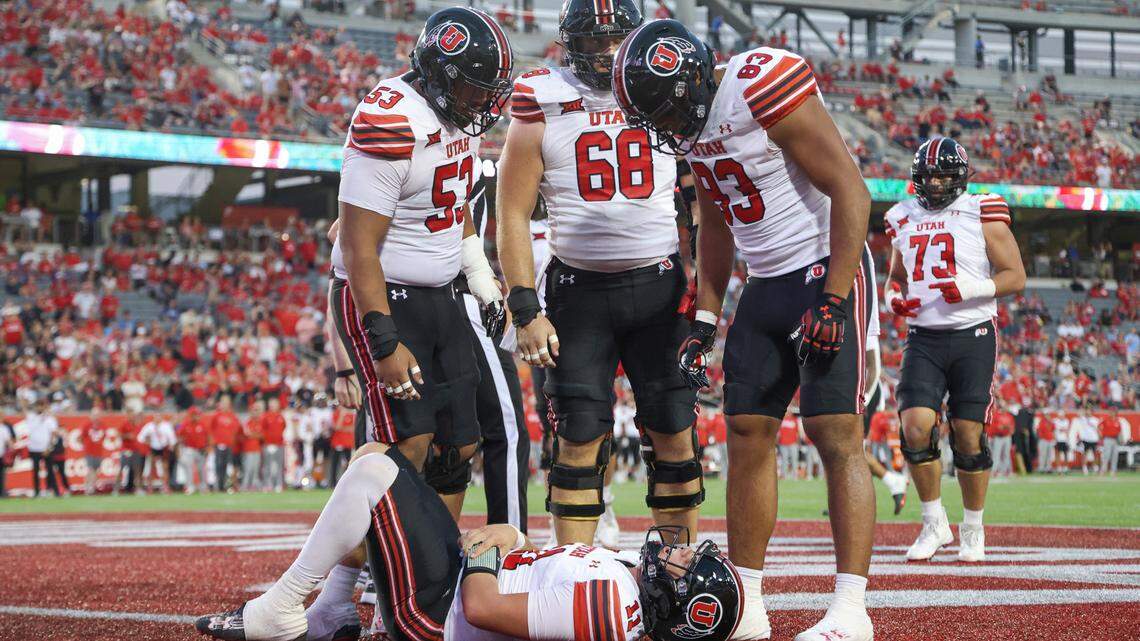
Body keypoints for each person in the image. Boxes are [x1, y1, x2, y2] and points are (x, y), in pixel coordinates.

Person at [615, 20, 877, 641]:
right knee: (745, 431)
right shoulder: (694, 125)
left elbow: (852, 190)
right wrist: (704, 319)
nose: (665, 126)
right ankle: (750, 601)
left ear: (693, 83)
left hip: (822, 266)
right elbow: (715, 224)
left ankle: (850, 608)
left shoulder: (759, 86)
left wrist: (835, 300)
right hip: (765, 281)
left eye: (665, 111)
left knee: (834, 430)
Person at [498, 0, 705, 549]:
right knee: (578, 436)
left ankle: (677, 568)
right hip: (577, 291)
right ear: (570, 41)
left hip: (659, 289)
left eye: (616, 39)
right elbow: (513, 212)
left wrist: (704, 273)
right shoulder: (541, 94)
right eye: (594, 41)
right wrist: (525, 308)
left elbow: (701, 194)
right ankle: (572, 571)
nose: (607, 52)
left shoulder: (662, 83)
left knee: (674, 430)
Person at [194, 441, 743, 641]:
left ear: (678, 607)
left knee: (370, 478)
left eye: (683, 563)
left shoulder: (614, 609)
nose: (677, 549)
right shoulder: (623, 585)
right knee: (372, 455)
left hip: (439, 613)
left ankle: (284, 607)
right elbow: (544, 570)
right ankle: (332, 614)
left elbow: (482, 609)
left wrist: (485, 553)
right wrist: (512, 535)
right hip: (459, 582)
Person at [332, 6, 512, 524]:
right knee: (404, 445)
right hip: (384, 291)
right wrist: (383, 341)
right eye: (476, 88)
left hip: (440, 295)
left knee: (457, 446)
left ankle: (429, 569)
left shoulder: (458, 115)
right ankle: (347, 591)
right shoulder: (389, 117)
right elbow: (357, 247)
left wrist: (480, 275)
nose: (484, 101)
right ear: (441, 77)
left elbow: (454, 209)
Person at [882, 137, 1025, 564]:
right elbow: (896, 278)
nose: (938, 183)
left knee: (968, 434)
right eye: (929, 176)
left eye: (945, 174)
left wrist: (973, 288)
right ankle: (933, 522)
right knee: (914, 426)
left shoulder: (982, 211)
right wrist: (893, 299)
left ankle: (973, 529)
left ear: (961, 177)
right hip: (923, 335)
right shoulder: (901, 217)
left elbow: (1015, 276)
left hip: (972, 334)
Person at [24, 398, 61, 497]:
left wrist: (49, 447)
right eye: (38, 405)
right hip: (34, 448)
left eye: (42, 405)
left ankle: (56, 491)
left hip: (46, 449)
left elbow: (54, 434)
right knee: (35, 471)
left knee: (50, 471)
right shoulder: (31, 417)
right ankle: (36, 492)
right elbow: (24, 408)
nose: (39, 407)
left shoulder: (50, 419)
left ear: (44, 407)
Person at [211, 396, 242, 492]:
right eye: (223, 403)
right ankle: (219, 486)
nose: (224, 405)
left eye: (226, 403)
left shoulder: (232, 416)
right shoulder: (216, 416)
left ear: (229, 404)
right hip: (218, 445)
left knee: (228, 466)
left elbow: (237, 429)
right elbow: (211, 429)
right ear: (220, 404)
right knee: (218, 466)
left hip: (229, 445)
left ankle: (227, 485)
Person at [139, 414, 177, 493]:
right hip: (153, 448)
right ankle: (150, 486)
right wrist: (147, 441)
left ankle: (165, 486)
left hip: (163, 448)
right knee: (151, 468)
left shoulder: (166, 426)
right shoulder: (149, 426)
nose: (157, 419)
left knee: (165, 468)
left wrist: (171, 445)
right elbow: (140, 437)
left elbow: (172, 438)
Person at [177, 407, 210, 494]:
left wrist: (207, 448)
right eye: (195, 415)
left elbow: (208, 437)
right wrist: (181, 448)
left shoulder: (202, 424)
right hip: (189, 449)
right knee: (189, 468)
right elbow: (179, 436)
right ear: (191, 415)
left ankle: (203, 487)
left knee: (201, 469)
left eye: (198, 415)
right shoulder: (185, 424)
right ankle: (190, 487)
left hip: (201, 450)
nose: (197, 416)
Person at [262, 397, 288, 492]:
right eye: (272, 404)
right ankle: (267, 484)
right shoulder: (266, 416)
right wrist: (268, 442)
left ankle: (279, 484)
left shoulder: (281, 416)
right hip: (268, 445)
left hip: (279, 444)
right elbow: (263, 429)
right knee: (267, 466)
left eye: (275, 404)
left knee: (279, 465)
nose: (273, 406)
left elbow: (283, 427)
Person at [241, 401, 265, 491]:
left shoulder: (261, 422)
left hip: (257, 449)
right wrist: (256, 435)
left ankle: (254, 486)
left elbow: (262, 435)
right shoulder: (247, 422)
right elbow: (247, 434)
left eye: (257, 410)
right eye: (254, 410)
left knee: (256, 469)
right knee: (248, 469)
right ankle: (245, 485)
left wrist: (254, 435)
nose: (255, 412)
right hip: (248, 450)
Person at [1099, 407, 1122, 476]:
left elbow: (1119, 431)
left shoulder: (1117, 420)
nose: (1112, 413)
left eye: (1114, 411)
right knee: (1107, 455)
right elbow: (1099, 426)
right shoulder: (1106, 419)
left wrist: (1121, 439)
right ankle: (1103, 470)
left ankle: (1113, 470)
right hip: (1107, 439)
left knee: (1115, 456)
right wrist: (1100, 434)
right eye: (1111, 411)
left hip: (1115, 439)